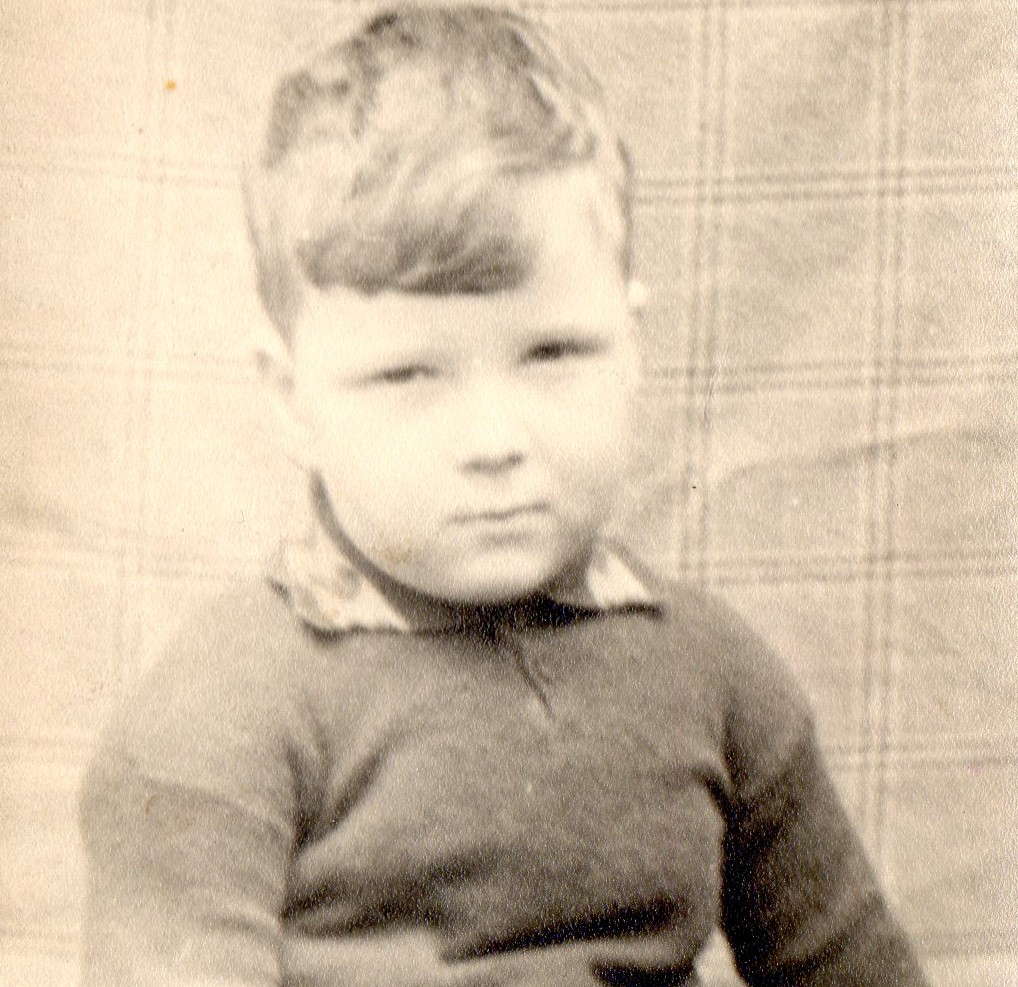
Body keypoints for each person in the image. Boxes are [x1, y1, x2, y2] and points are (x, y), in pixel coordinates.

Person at [78, 5, 930, 986]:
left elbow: (851, 970)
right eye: (409, 377)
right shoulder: (219, 714)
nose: (494, 442)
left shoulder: (715, 672)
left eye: (553, 353)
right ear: (290, 398)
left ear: (632, 346)